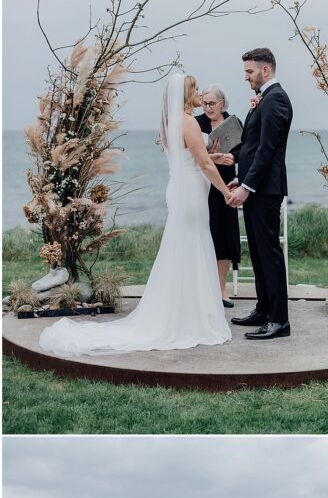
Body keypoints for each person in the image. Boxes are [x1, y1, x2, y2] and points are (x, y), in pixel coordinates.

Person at [38, 73, 234, 358]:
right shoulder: (189, 121)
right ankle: (189, 317)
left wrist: (214, 157)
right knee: (191, 247)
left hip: (181, 189)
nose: (199, 92)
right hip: (191, 193)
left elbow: (191, 157)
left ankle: (183, 312)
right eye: (195, 88)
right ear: (185, 94)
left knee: (184, 248)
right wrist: (226, 192)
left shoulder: (171, 122)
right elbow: (201, 163)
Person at [227, 48, 293, 340]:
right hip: (256, 187)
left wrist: (247, 187)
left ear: (266, 70)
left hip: (266, 190)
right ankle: (264, 309)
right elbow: (252, 147)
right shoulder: (264, 99)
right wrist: (238, 175)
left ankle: (279, 321)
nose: (246, 77)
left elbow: (268, 150)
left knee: (269, 255)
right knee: (257, 253)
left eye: (249, 71)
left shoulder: (276, 99)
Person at [196, 84, 243, 305]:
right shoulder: (197, 123)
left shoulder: (233, 122)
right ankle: (201, 289)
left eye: (212, 103)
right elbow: (191, 153)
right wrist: (210, 154)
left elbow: (246, 149)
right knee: (202, 234)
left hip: (226, 184)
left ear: (222, 103)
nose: (207, 108)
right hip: (202, 183)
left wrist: (232, 157)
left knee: (224, 235)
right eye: (204, 103)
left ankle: (221, 290)